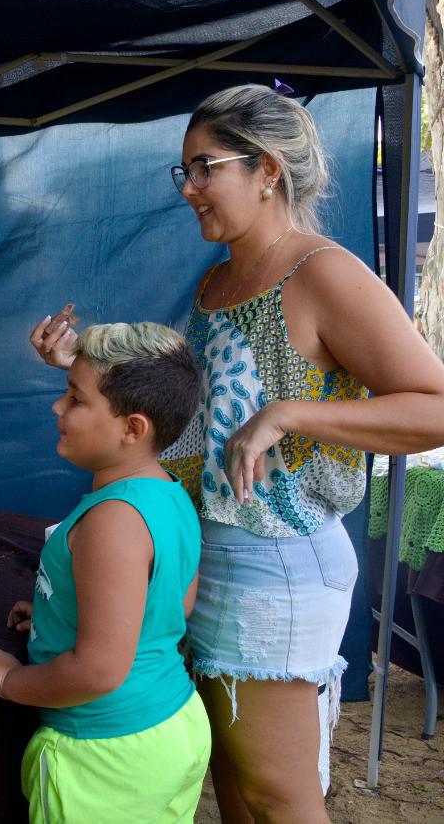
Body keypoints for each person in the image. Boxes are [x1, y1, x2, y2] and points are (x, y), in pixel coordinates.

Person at [32, 84, 444, 823]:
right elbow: (188, 412)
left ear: (267, 170)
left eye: (203, 168)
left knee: (278, 796)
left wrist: (286, 414)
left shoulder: (323, 271)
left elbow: (434, 405)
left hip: (278, 562)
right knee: (234, 789)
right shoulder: (217, 281)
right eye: (182, 172)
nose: (188, 189)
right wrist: (80, 367)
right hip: (210, 552)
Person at [0, 322, 208, 823]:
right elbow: (174, 602)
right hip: (176, 724)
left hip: (104, 755)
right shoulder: (171, 494)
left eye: (76, 399)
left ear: (132, 428)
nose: (58, 408)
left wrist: (11, 680)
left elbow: (98, 671)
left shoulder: (112, 520)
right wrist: (66, 608)